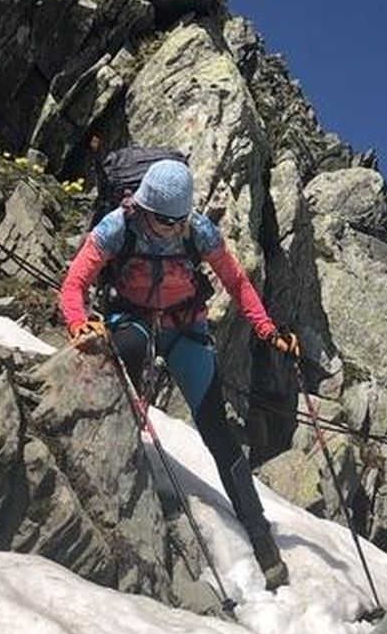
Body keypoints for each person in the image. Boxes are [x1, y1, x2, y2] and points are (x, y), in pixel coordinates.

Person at [59, 158, 298, 590]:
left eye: (176, 220)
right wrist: (78, 324)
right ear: (142, 206)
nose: (168, 228)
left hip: (186, 328)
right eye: (160, 219)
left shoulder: (198, 230)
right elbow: (74, 282)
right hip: (130, 320)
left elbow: (238, 283)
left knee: (217, 431)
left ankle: (260, 534)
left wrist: (265, 327)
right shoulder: (119, 226)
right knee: (124, 353)